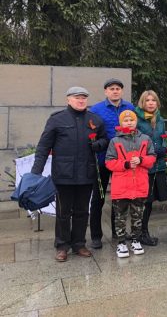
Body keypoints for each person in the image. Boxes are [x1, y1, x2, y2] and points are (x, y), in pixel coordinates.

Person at [31, 87, 108, 261]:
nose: (81, 101)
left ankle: (79, 244)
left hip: (86, 174)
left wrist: (99, 145)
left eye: (83, 98)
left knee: (82, 211)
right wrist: (36, 171)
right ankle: (62, 245)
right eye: (77, 98)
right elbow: (43, 147)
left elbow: (105, 140)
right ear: (68, 100)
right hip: (63, 174)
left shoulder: (94, 120)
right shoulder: (57, 120)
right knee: (63, 212)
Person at [89, 78, 134, 249]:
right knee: (98, 199)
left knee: (120, 198)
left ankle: (118, 231)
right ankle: (96, 236)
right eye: (111, 88)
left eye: (118, 88)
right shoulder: (96, 109)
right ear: (106, 91)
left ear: (121, 91)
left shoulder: (129, 108)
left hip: (122, 162)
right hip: (102, 160)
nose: (115, 91)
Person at [105, 110, 156, 258]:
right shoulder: (115, 141)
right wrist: (125, 164)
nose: (129, 122)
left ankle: (135, 239)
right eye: (126, 120)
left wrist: (142, 160)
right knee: (120, 216)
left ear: (136, 122)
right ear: (121, 123)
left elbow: (152, 157)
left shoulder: (145, 139)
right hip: (121, 186)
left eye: (131, 120)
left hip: (139, 185)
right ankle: (121, 242)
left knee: (137, 215)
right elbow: (109, 162)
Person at [135, 90, 167, 246]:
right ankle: (141, 233)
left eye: (153, 100)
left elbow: (163, 138)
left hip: (158, 166)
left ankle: (143, 231)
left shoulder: (160, 119)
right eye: (147, 100)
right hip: (143, 166)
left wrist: (164, 148)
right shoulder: (137, 119)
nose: (150, 103)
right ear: (142, 102)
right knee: (144, 201)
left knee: (151, 200)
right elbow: (135, 142)